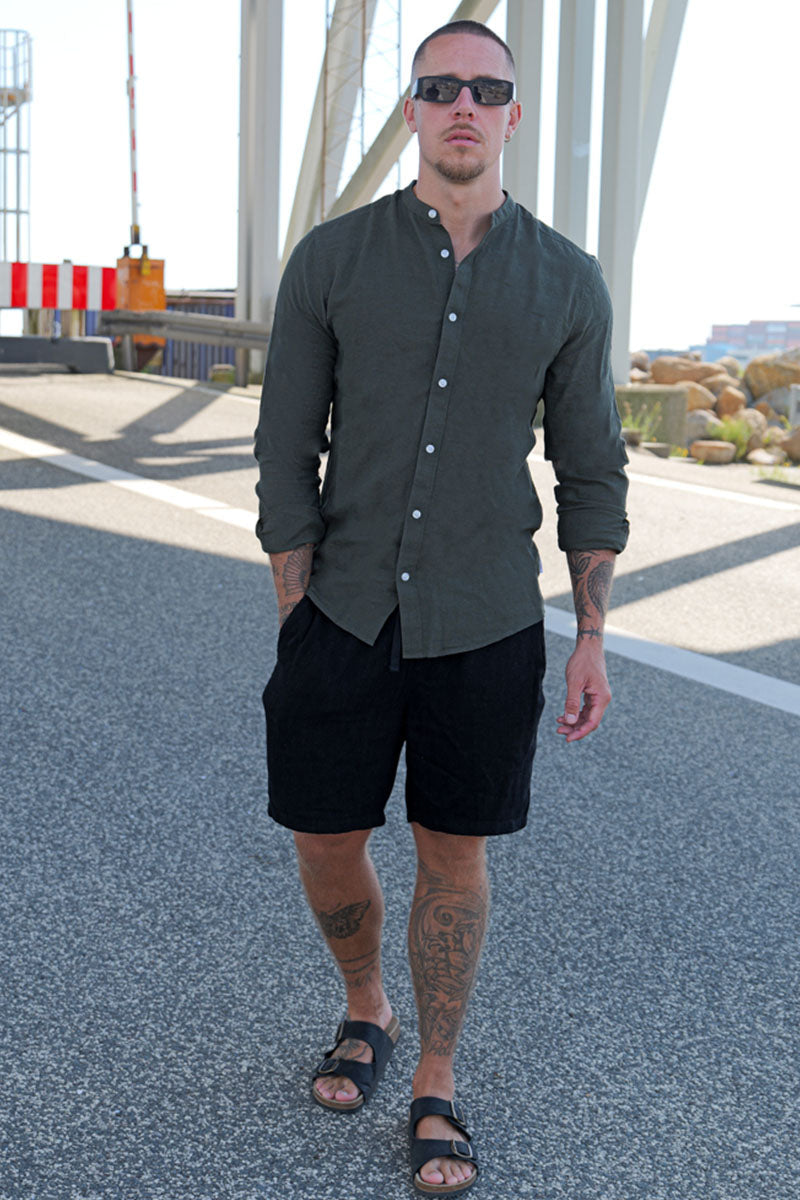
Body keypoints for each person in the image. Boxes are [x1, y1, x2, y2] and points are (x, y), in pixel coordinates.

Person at [254, 18, 629, 1194]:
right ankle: (363, 1004)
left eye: (484, 89)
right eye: (437, 86)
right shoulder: (330, 259)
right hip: (343, 613)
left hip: (485, 620)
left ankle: (434, 1075)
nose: (462, 104)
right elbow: (283, 449)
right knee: (324, 837)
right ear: (413, 108)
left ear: (511, 115)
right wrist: (295, 610)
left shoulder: (566, 280)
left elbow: (591, 470)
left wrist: (591, 636)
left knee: (451, 855)